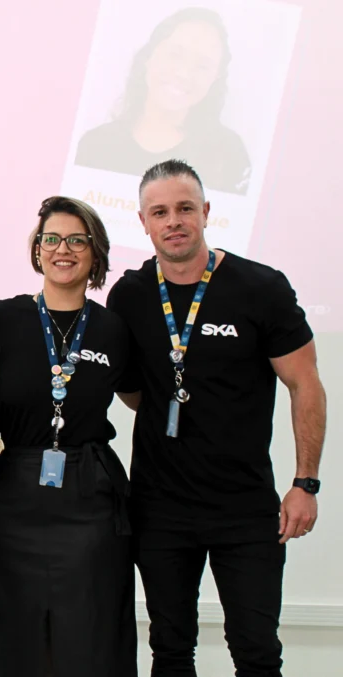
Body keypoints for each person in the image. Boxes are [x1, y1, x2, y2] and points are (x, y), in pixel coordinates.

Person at [107, 159, 325, 676]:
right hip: (160, 507)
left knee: (255, 650)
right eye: (160, 212)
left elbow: (305, 383)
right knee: (171, 649)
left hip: (245, 507)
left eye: (185, 208)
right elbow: (135, 392)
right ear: (143, 222)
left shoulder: (260, 287)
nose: (174, 220)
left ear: (206, 212)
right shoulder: (130, 295)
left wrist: (306, 482)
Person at [0, 197, 138, 676]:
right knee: (18, 635)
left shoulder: (112, 329)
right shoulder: (2, 320)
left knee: (91, 636)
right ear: (37, 249)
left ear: (95, 252)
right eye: (51, 238)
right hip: (15, 500)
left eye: (76, 239)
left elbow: (139, 398)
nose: (62, 249)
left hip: (90, 500)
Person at [75, 7, 251, 195]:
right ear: (149, 57)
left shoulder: (228, 154)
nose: (184, 74)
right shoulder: (96, 145)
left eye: (202, 66)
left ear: (215, 78)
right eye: (175, 55)